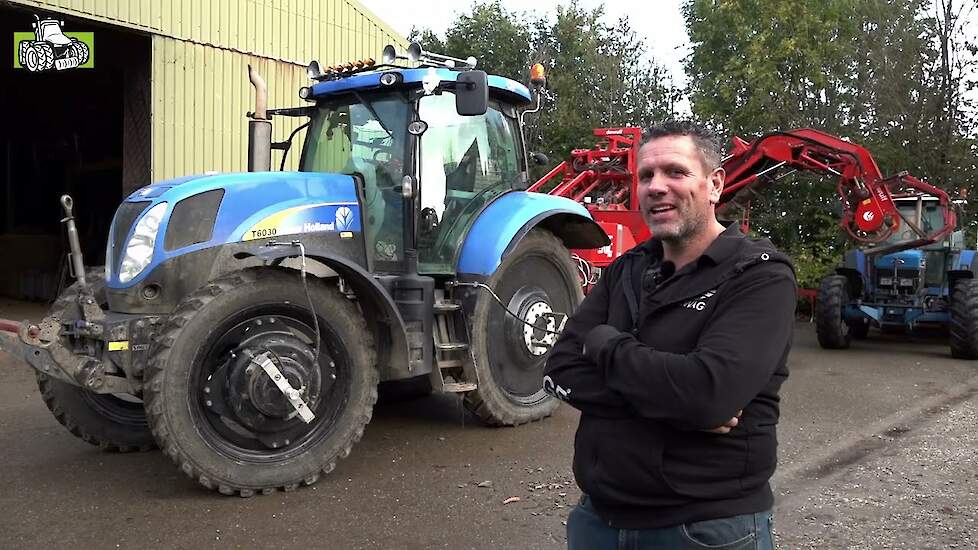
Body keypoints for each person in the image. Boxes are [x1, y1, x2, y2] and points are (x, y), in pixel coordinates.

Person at [543, 120, 796, 549]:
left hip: (704, 529)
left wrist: (605, 343)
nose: (656, 186)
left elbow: (708, 393)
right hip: (597, 520)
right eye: (645, 176)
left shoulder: (760, 276)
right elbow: (561, 367)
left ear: (715, 184)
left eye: (675, 172)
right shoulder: (629, 268)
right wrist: (677, 401)